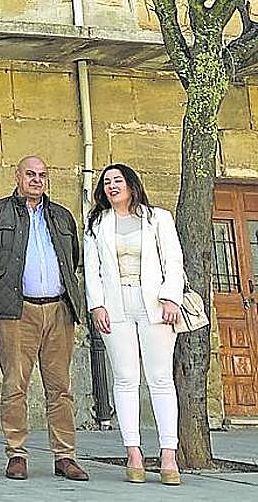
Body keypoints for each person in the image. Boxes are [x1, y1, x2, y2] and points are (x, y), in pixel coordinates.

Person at [0, 155, 88, 481]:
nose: (36, 179)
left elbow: (73, 258)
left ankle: (65, 456)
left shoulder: (62, 217)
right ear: (17, 176)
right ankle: (16, 453)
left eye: (42, 175)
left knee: (60, 388)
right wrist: (0, 288)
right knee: (14, 384)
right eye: (30, 174)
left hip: (59, 310)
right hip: (16, 311)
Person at [85, 164, 184, 486]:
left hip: (154, 305)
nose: (112, 186)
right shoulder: (97, 224)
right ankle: (134, 453)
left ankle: (169, 454)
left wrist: (172, 298)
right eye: (107, 182)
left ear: (131, 184)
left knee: (160, 379)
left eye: (118, 180)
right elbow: (93, 270)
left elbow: (174, 260)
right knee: (125, 379)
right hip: (116, 308)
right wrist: (96, 305)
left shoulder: (158, 218)